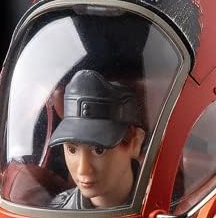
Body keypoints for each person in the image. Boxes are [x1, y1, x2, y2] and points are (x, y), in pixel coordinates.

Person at [46, 69, 147, 210]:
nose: (83, 170)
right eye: (72, 149)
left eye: (99, 150)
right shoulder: (57, 212)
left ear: (135, 143)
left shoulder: (167, 208)